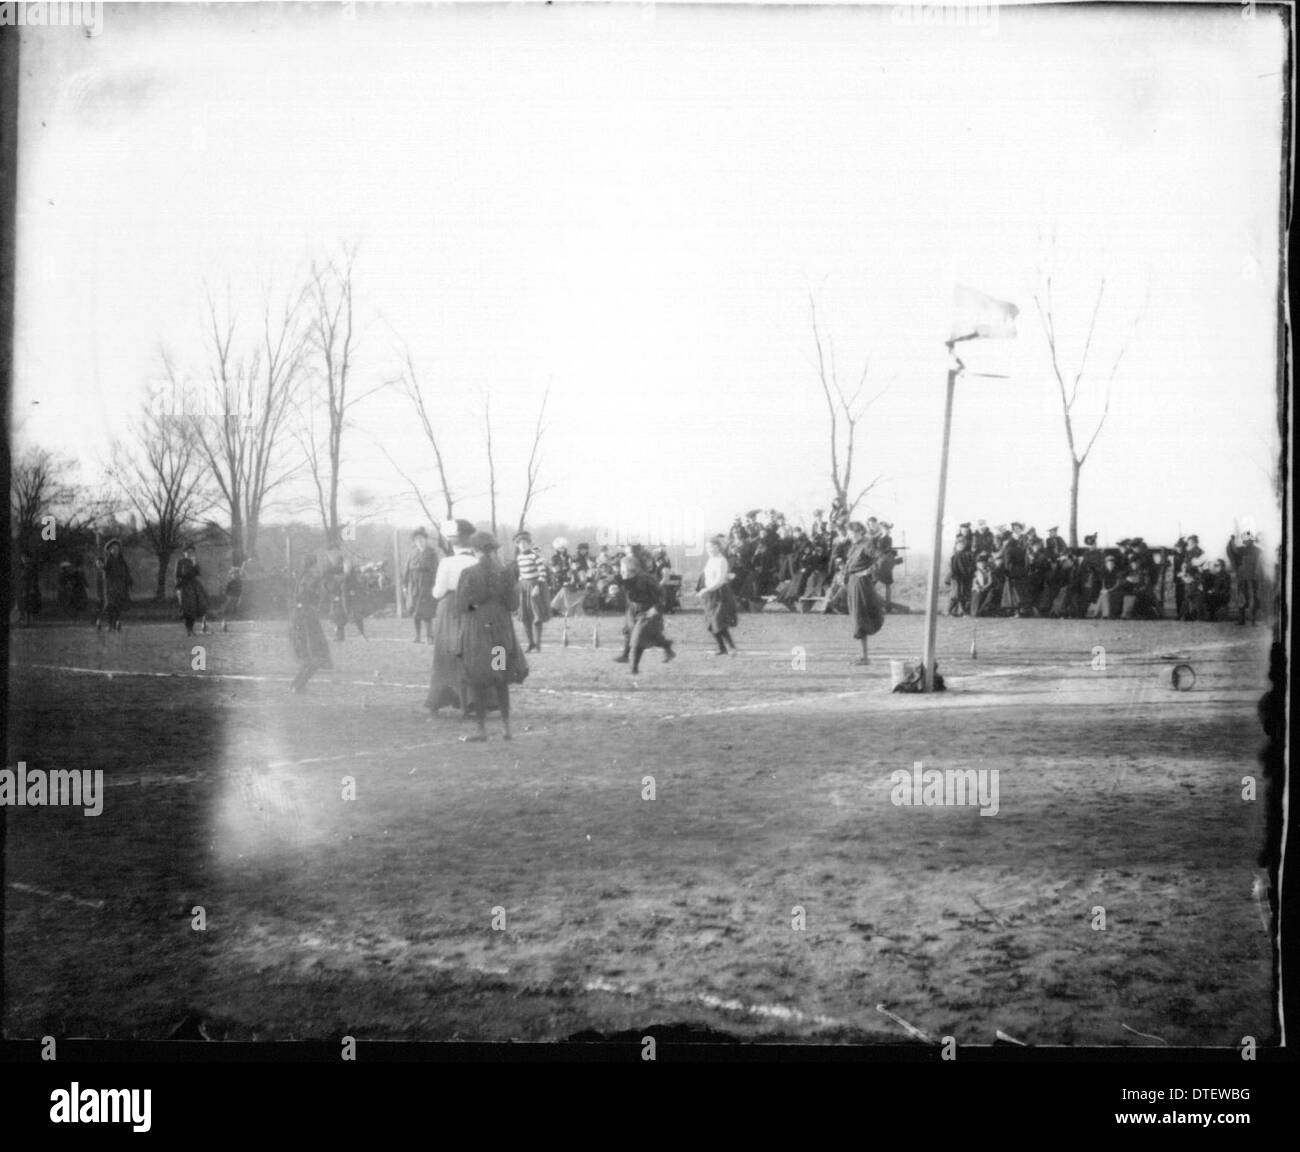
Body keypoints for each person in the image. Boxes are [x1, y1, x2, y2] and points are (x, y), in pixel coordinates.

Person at [455, 532, 529, 742]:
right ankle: (506, 728)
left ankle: (482, 730)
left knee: (478, 677)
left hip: (478, 629)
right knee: (500, 676)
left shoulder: (468, 573)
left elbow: (461, 606)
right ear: (494, 550)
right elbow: (513, 604)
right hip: (500, 630)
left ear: (475, 550)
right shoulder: (505, 572)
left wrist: (474, 606)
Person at [426, 519, 479, 717]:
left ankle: (437, 701)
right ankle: (470, 702)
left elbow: (438, 592)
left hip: (448, 609)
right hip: (471, 609)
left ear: (452, 542)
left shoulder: (446, 562)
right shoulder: (476, 561)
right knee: (469, 654)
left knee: (444, 656)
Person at [612, 555, 676, 674]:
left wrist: (655, 608)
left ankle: (633, 668)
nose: (622, 572)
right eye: (621, 570)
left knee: (638, 639)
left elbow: (661, 595)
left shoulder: (647, 579)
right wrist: (615, 591)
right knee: (631, 633)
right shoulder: (624, 579)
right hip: (633, 610)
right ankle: (667, 647)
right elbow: (624, 595)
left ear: (633, 569)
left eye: (624, 570)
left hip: (648, 612)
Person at [843, 521, 885, 664]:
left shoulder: (867, 544)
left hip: (861, 583)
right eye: (849, 533)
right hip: (853, 581)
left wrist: (868, 571)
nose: (850, 536)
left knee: (860, 617)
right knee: (856, 617)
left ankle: (865, 657)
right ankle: (863, 656)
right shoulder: (855, 546)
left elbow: (883, 558)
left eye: (852, 533)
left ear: (860, 532)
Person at [289, 556, 332, 692]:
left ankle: (297, 685)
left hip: (300, 615)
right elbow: (308, 592)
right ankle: (297, 686)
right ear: (313, 565)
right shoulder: (309, 577)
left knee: (311, 655)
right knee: (317, 654)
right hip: (306, 615)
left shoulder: (302, 577)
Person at [511, 529, 551, 652]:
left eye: (525, 543)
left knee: (536, 616)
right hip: (524, 587)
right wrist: (520, 585)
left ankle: (538, 644)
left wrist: (537, 586)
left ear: (529, 544)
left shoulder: (535, 556)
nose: (523, 545)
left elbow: (542, 573)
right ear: (517, 545)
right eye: (520, 543)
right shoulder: (518, 557)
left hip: (535, 587)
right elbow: (521, 574)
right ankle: (531, 643)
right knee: (525, 616)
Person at [698, 535, 739, 656]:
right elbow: (708, 576)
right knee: (710, 623)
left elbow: (720, 581)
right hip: (710, 594)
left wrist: (706, 590)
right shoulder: (711, 559)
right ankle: (722, 648)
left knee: (718, 622)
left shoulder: (722, 560)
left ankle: (732, 647)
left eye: (711, 547)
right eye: (707, 548)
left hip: (720, 593)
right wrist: (704, 589)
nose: (708, 550)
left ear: (717, 547)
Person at [404, 527, 439, 643]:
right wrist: (404, 585)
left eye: (422, 539)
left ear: (426, 539)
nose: (420, 541)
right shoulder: (412, 553)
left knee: (427, 612)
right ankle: (417, 636)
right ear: (414, 541)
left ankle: (430, 636)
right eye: (417, 539)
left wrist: (435, 585)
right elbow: (407, 570)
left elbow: (436, 570)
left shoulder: (432, 553)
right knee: (415, 611)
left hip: (427, 584)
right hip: (414, 585)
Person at [1226, 531, 1262, 626]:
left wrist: (1232, 540)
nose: (1245, 541)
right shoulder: (1242, 550)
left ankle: (1253, 620)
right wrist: (1232, 540)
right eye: (1244, 540)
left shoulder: (1257, 551)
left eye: (1247, 540)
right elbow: (1232, 550)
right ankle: (1242, 620)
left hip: (1253, 577)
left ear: (1251, 540)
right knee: (1242, 597)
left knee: (1253, 598)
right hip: (1243, 577)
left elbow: (1259, 564)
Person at [174, 543, 210, 636]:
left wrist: (195, 565)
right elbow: (177, 574)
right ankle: (188, 629)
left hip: (194, 585)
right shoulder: (180, 561)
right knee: (187, 608)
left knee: (196, 606)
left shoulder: (194, 561)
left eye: (191, 552)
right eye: (188, 552)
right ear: (184, 552)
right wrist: (178, 585)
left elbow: (198, 573)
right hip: (184, 586)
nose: (190, 554)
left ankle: (191, 628)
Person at [99, 538, 133, 632]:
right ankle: (110, 624)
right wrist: (101, 566)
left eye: (117, 548)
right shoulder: (108, 560)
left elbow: (126, 572)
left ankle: (117, 622)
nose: (116, 550)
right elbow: (105, 570)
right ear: (110, 550)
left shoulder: (122, 560)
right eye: (113, 549)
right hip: (110, 587)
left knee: (118, 605)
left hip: (120, 587)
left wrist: (129, 581)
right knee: (110, 606)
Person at [17, 551, 42, 626]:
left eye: (24, 557)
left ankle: (29, 621)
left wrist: (32, 589)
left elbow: (33, 579)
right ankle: (26, 621)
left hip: (30, 588)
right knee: (24, 605)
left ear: (28, 558)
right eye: (22, 558)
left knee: (29, 605)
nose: (23, 559)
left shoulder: (30, 568)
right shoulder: (23, 567)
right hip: (24, 588)